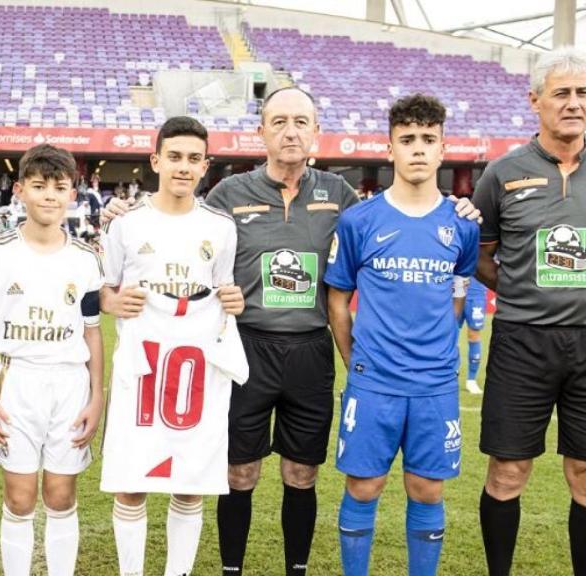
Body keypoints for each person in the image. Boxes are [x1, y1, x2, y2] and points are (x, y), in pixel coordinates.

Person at [102, 89, 480, 576]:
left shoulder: (342, 198)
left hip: (309, 348)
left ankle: (296, 568)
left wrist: (461, 209)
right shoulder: (228, 195)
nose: (291, 131)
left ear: (316, 131)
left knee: (302, 472)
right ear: (260, 131)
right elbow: (181, 220)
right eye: (278, 121)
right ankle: (231, 569)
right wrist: (119, 213)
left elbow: (395, 223)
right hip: (247, 346)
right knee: (239, 472)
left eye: (302, 121)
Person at [472, 47, 586, 576]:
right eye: (562, 93)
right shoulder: (503, 173)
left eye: (583, 92)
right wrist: (526, 290)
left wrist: (584, 293)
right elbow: (480, 254)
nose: (573, 103)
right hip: (522, 342)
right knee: (507, 471)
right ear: (536, 100)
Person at [325, 94, 479, 576]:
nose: (418, 149)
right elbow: (337, 301)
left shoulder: (461, 225)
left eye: (428, 140)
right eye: (407, 139)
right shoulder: (359, 220)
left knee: (427, 488)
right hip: (374, 383)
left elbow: (458, 295)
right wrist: (358, 363)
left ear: (442, 148)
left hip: (433, 385)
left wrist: (436, 346)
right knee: (363, 486)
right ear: (389, 147)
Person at [99, 116, 245, 576]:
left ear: (206, 166)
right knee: (132, 481)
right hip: (141, 370)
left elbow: (225, 290)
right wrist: (115, 301)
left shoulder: (219, 227)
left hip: (195, 370)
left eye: (194, 159)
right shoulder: (125, 225)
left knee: (191, 481)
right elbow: (103, 291)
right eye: (175, 156)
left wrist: (234, 298)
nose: (184, 167)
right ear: (156, 160)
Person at [0, 144, 104, 576]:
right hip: (17, 383)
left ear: (73, 195)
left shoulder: (86, 259)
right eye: (39, 186)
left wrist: (97, 397)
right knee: (20, 497)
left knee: (61, 495)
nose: (49, 196)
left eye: (59, 187)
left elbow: (93, 332)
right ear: (19, 190)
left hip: (70, 385)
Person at [459, 275, 487, 394]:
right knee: (450, 335)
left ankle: (471, 380)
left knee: (474, 334)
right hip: (455, 293)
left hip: (476, 296)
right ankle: (451, 375)